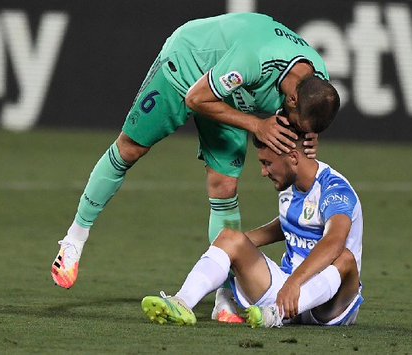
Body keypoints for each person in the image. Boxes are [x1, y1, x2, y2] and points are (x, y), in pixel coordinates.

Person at [50, 12, 340, 324]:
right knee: (130, 150)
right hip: (188, 68)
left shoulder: (317, 81)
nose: (293, 127)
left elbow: (305, 126)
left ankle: (226, 299)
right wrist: (256, 124)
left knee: (225, 186)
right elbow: (197, 98)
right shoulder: (254, 58)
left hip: (233, 96)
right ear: (293, 99)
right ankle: (73, 241)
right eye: (295, 121)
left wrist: (308, 140)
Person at [141, 130, 363, 327]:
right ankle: (181, 303)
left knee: (344, 257)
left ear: (293, 158)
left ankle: (277, 314)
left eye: (267, 163)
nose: (263, 172)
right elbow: (292, 222)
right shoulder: (289, 184)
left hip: (329, 303)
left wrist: (295, 283)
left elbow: (334, 242)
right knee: (229, 237)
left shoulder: (335, 191)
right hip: (285, 288)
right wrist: (236, 247)